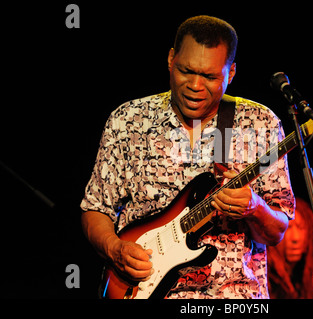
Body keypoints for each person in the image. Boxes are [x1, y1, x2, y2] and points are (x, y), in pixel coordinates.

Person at [80, 15, 295, 299]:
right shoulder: (128, 120)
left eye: (209, 76)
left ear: (230, 74)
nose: (194, 85)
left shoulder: (260, 124)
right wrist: (115, 249)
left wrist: (255, 208)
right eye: (186, 71)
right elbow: (95, 208)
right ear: (171, 59)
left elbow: (275, 232)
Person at [267, 197, 313, 299]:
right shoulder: (265, 279)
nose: (295, 238)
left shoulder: (308, 278)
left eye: (300, 227)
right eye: (288, 228)